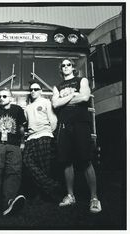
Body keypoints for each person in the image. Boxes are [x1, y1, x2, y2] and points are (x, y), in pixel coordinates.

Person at [52, 58, 102, 213]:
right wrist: (72, 95)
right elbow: (55, 104)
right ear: (61, 69)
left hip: (81, 124)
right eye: (63, 65)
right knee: (66, 161)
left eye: (69, 64)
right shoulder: (57, 86)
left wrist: (63, 100)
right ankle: (70, 195)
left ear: (73, 67)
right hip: (64, 125)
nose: (66, 67)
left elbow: (85, 97)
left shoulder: (82, 80)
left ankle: (94, 198)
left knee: (85, 159)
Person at [23, 80, 58, 200]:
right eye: (31, 89)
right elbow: (28, 123)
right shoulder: (27, 108)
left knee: (44, 166)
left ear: (41, 91)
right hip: (31, 138)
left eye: (36, 89)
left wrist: (48, 133)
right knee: (27, 161)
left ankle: (42, 194)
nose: (33, 91)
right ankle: (52, 185)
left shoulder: (46, 102)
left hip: (45, 135)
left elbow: (53, 120)